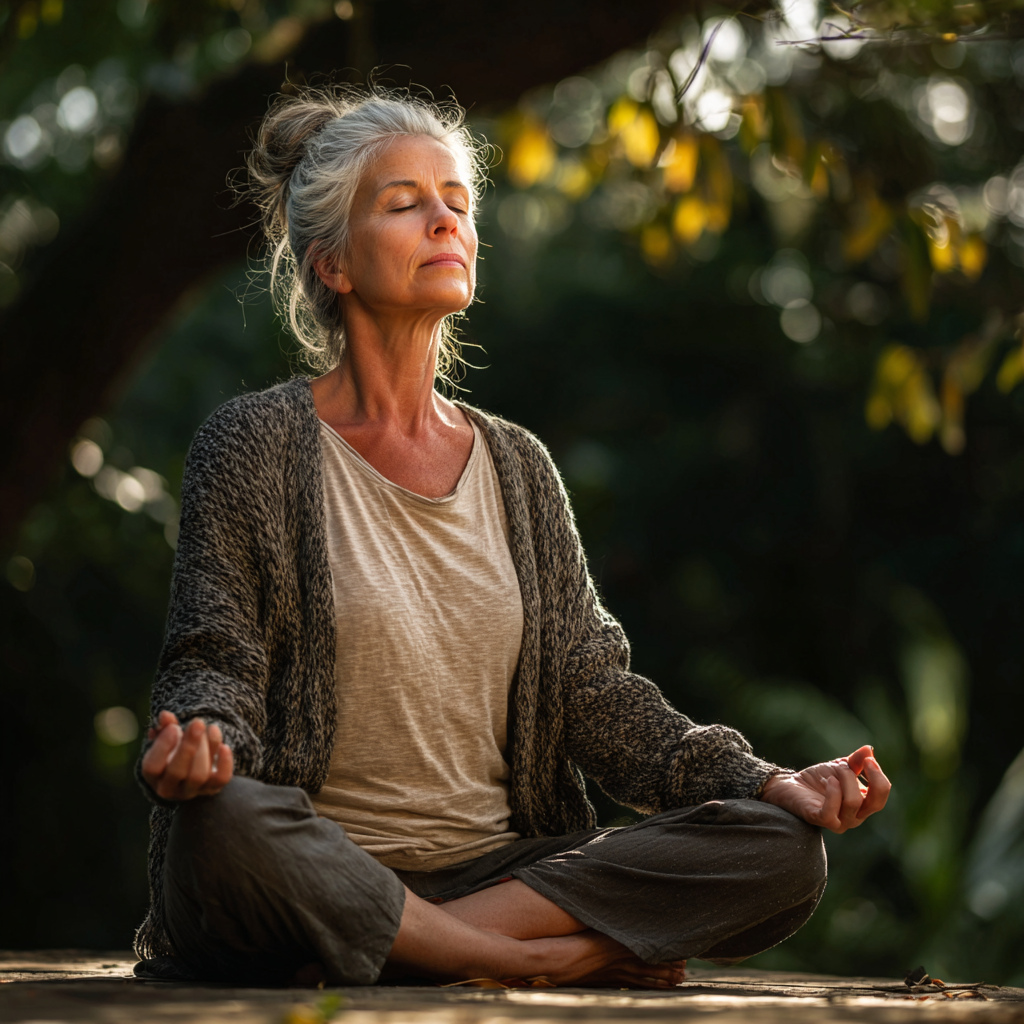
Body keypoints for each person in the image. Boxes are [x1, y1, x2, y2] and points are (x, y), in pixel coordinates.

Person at [134, 86, 890, 988]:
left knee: (780, 849)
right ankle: (514, 959)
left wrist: (762, 781)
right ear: (331, 263)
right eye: (406, 203)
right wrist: (202, 742)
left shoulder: (519, 468)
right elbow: (213, 652)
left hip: (497, 870)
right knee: (221, 827)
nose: (444, 221)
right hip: (307, 854)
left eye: (457, 201)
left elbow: (593, 694)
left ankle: (401, 945)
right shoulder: (252, 443)